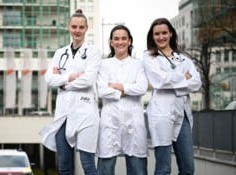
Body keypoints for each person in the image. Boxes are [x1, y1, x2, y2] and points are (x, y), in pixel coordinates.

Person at [39, 9, 101, 175]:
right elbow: (49, 79)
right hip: (63, 116)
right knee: (64, 166)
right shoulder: (60, 53)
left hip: (85, 113)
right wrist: (71, 77)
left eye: (81, 27)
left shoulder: (93, 52)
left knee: (88, 164)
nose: (77, 31)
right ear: (69, 27)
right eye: (74, 26)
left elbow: (88, 80)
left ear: (86, 28)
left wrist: (64, 82)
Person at [142, 18, 202, 175]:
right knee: (163, 168)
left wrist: (173, 81)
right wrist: (184, 79)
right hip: (162, 114)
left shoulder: (184, 58)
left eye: (164, 33)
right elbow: (159, 81)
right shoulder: (149, 57)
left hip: (183, 116)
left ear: (170, 34)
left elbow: (196, 83)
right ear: (152, 36)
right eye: (157, 34)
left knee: (188, 168)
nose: (161, 37)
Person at [97, 25, 148, 175]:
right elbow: (101, 90)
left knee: (137, 169)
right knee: (105, 168)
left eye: (124, 38)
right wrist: (126, 91)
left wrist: (118, 87)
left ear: (130, 41)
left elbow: (142, 88)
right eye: (116, 39)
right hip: (110, 120)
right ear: (111, 42)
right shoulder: (104, 64)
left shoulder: (138, 64)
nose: (120, 42)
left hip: (134, 121)